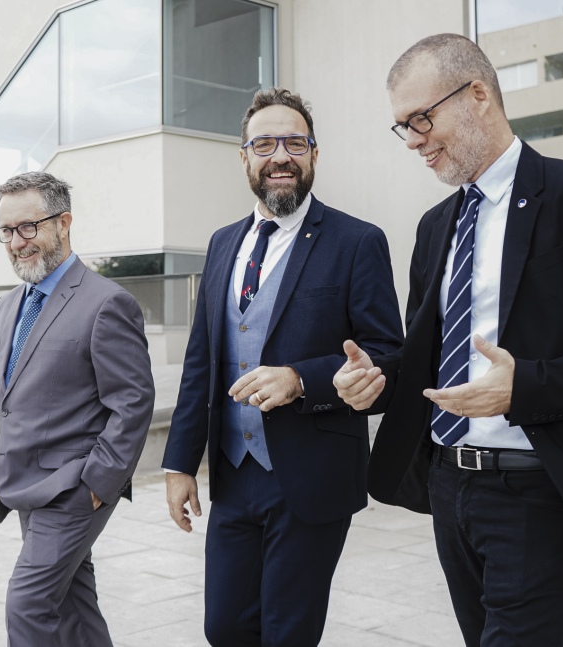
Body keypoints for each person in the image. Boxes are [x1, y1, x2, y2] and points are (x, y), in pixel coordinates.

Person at [334, 33, 563, 646]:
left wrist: (526, 388)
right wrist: (377, 381)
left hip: (538, 490)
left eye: (421, 118)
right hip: (449, 485)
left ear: (479, 96)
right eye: (402, 127)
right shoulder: (436, 225)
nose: (413, 140)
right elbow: (426, 356)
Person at [162, 87, 404, 646]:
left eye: (296, 142)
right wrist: (179, 464)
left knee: (287, 634)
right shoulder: (223, 244)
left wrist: (301, 380)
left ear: (314, 155)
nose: (281, 156)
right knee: (224, 628)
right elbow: (201, 362)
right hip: (233, 474)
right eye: (265, 143)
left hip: (311, 477)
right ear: (244, 157)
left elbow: (388, 357)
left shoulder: (357, 241)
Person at [0, 171, 154, 646]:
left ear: (63, 223)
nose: (17, 242)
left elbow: (133, 403)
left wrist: (97, 486)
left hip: (74, 488)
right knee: (72, 607)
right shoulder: (6, 308)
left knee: (28, 605)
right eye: (6, 231)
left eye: (29, 227)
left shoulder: (108, 303)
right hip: (24, 485)